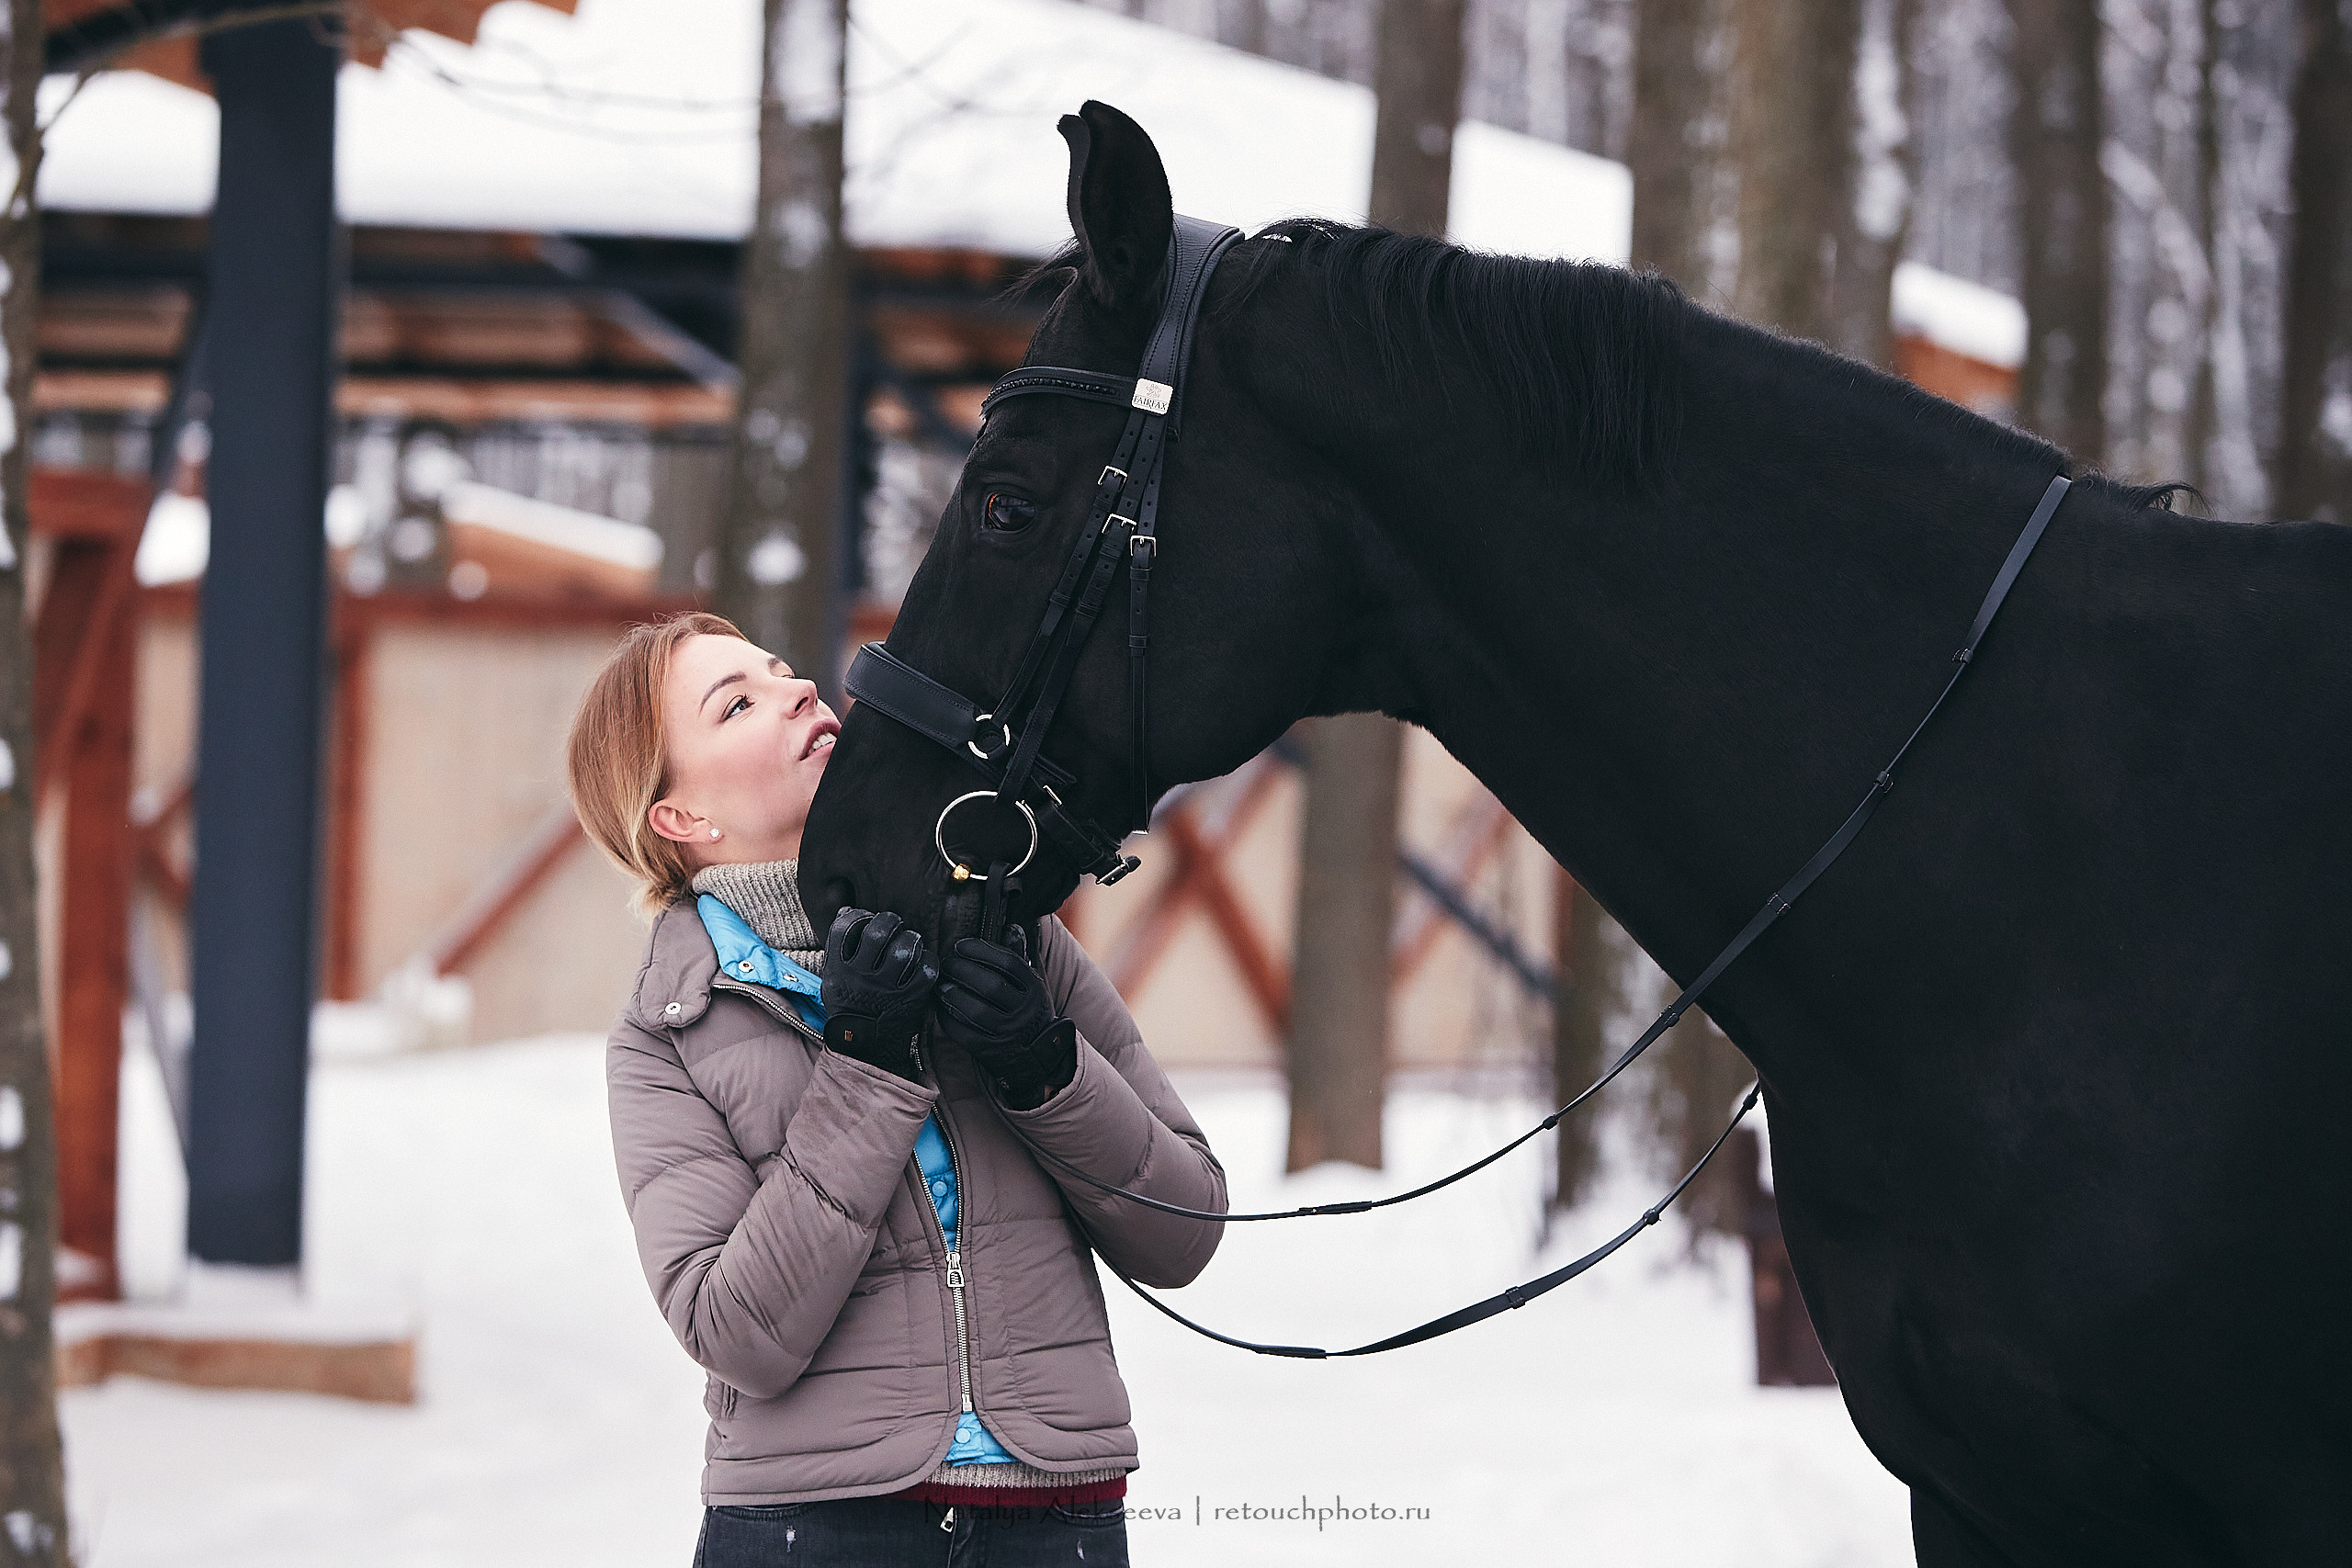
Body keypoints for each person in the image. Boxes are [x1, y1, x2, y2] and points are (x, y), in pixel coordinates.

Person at [565, 612, 1227, 1567]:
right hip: (813, 1528)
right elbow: (736, 1333)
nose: (799, 688)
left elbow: (1185, 1229)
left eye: (781, 670)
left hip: (1055, 1518)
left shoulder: (1005, 928)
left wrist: (1044, 1067)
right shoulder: (670, 1030)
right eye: (737, 703)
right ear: (681, 818)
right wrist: (865, 1066)